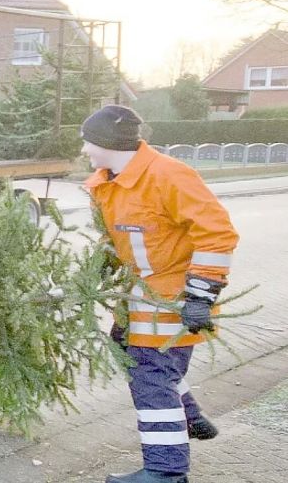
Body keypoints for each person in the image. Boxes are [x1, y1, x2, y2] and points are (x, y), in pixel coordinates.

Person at [80, 105, 239, 483]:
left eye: (87, 142)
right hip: (141, 294)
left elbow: (216, 232)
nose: (84, 150)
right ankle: (190, 417)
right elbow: (123, 234)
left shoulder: (169, 176)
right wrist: (102, 265)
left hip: (174, 295)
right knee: (124, 345)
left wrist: (200, 294)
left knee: (151, 376)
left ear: (107, 142)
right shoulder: (109, 181)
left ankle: (166, 472)